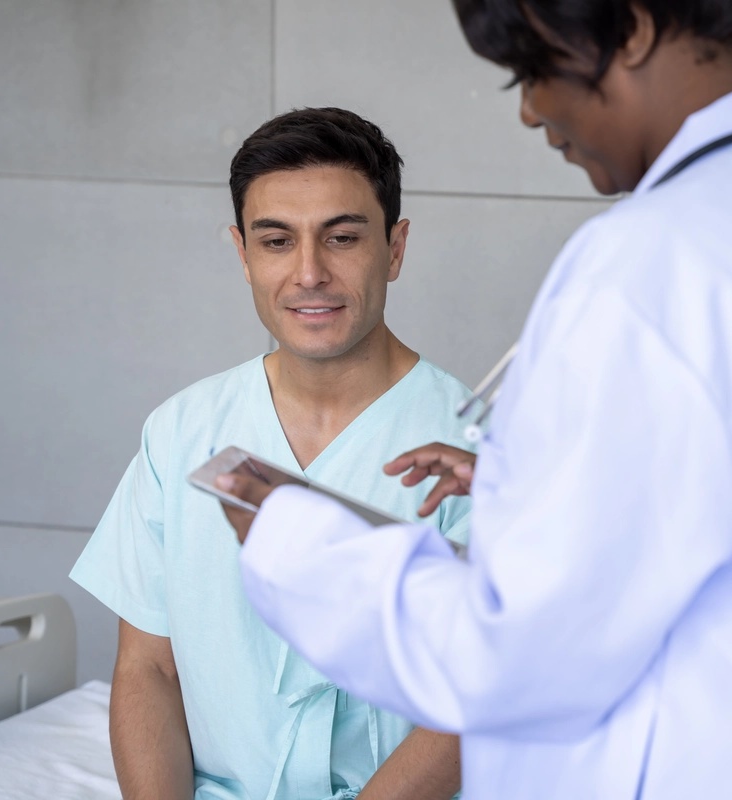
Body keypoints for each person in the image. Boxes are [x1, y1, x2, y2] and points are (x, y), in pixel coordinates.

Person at [221, 2, 732, 797]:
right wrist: (528, 485)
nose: (531, 109)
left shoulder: (650, 260)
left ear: (631, 27)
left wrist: (291, 536)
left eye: (533, 70)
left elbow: (516, 658)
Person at [70, 107, 470, 800]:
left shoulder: (476, 449)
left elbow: (478, 704)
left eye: (342, 238)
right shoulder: (182, 433)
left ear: (395, 248)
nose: (309, 273)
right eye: (277, 241)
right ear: (243, 253)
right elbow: (149, 670)